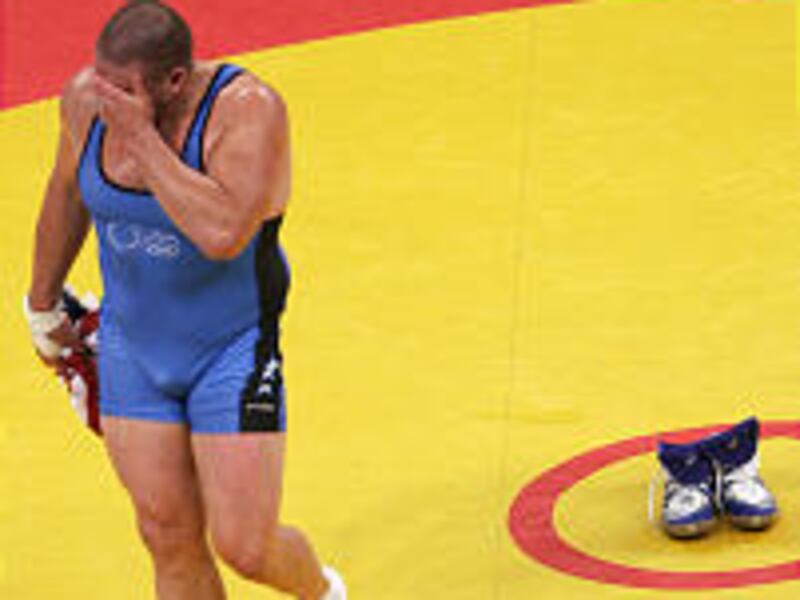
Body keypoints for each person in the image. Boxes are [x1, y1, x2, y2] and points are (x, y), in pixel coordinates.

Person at [23, 2, 346, 598]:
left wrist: (141, 138)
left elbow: (223, 234)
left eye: (123, 90)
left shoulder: (248, 112)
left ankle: (322, 592)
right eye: (101, 80)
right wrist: (40, 307)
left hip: (231, 348)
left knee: (246, 546)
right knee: (166, 536)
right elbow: (66, 193)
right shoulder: (84, 100)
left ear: (174, 81)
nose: (105, 99)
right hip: (132, 348)